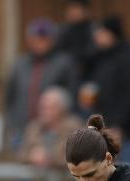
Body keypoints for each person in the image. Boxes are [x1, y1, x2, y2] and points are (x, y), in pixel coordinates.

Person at [4, 19, 78, 150]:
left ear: (52, 40)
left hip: (53, 132)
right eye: (36, 39)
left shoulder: (64, 64)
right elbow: (9, 96)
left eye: (44, 39)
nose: (40, 44)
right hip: (22, 129)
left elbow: (71, 96)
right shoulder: (20, 65)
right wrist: (12, 123)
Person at [83, 17, 130, 145]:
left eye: (101, 32)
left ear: (111, 34)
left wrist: (119, 124)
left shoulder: (128, 58)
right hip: (102, 122)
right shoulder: (99, 56)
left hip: (124, 126)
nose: (97, 36)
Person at [55, 0, 94, 80]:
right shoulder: (62, 30)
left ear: (85, 11)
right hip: (66, 72)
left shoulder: (93, 30)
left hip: (89, 72)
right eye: (70, 9)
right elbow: (57, 51)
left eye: (75, 8)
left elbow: (93, 51)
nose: (72, 12)